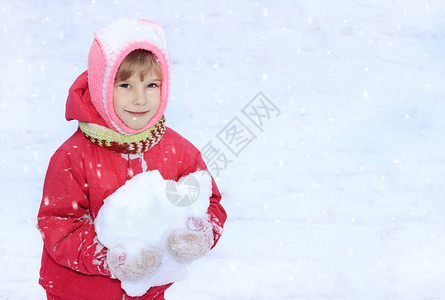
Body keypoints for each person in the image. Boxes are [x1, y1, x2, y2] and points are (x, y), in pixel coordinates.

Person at [37, 18, 226, 300]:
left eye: (151, 85)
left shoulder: (178, 150)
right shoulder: (72, 157)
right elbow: (59, 225)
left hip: (148, 293)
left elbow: (209, 203)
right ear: (101, 87)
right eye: (125, 85)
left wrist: (198, 234)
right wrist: (111, 257)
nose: (140, 99)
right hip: (78, 292)